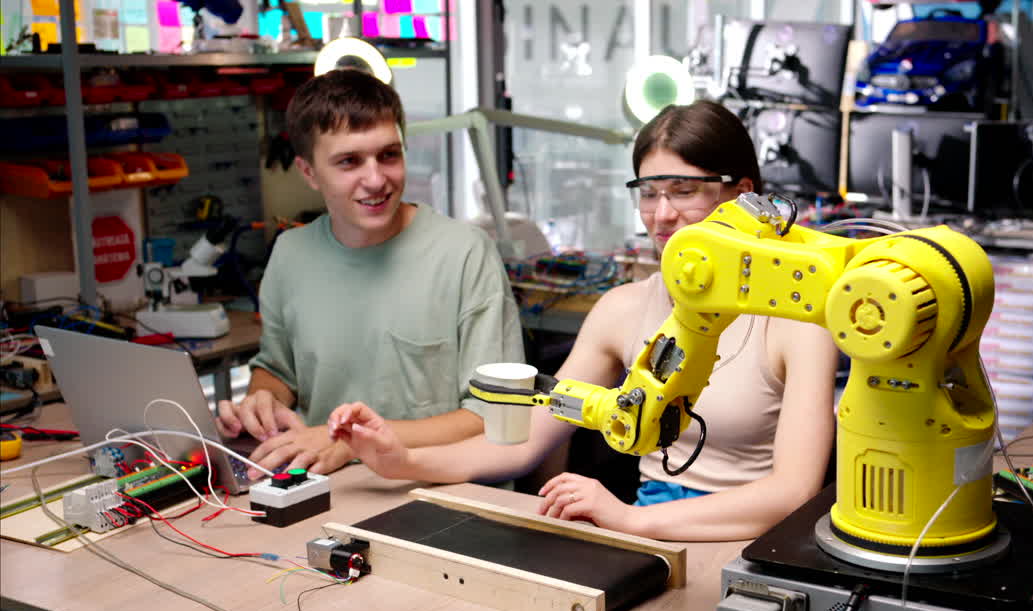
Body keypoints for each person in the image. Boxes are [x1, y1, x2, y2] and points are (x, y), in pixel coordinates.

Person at [328, 100, 839, 541]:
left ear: (742, 195)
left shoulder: (797, 323)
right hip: (650, 531)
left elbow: (792, 493)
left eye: (683, 190)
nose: (661, 216)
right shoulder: (623, 309)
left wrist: (630, 519)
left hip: (741, 544)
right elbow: (529, 439)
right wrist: (403, 462)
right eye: (648, 192)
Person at [214, 69, 523, 477]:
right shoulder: (290, 254)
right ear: (308, 173)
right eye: (349, 162)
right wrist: (262, 399)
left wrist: (351, 442)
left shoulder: (465, 254)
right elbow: (279, 369)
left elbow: (493, 418)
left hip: (443, 492)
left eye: (389, 155)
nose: (376, 179)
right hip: (330, 487)